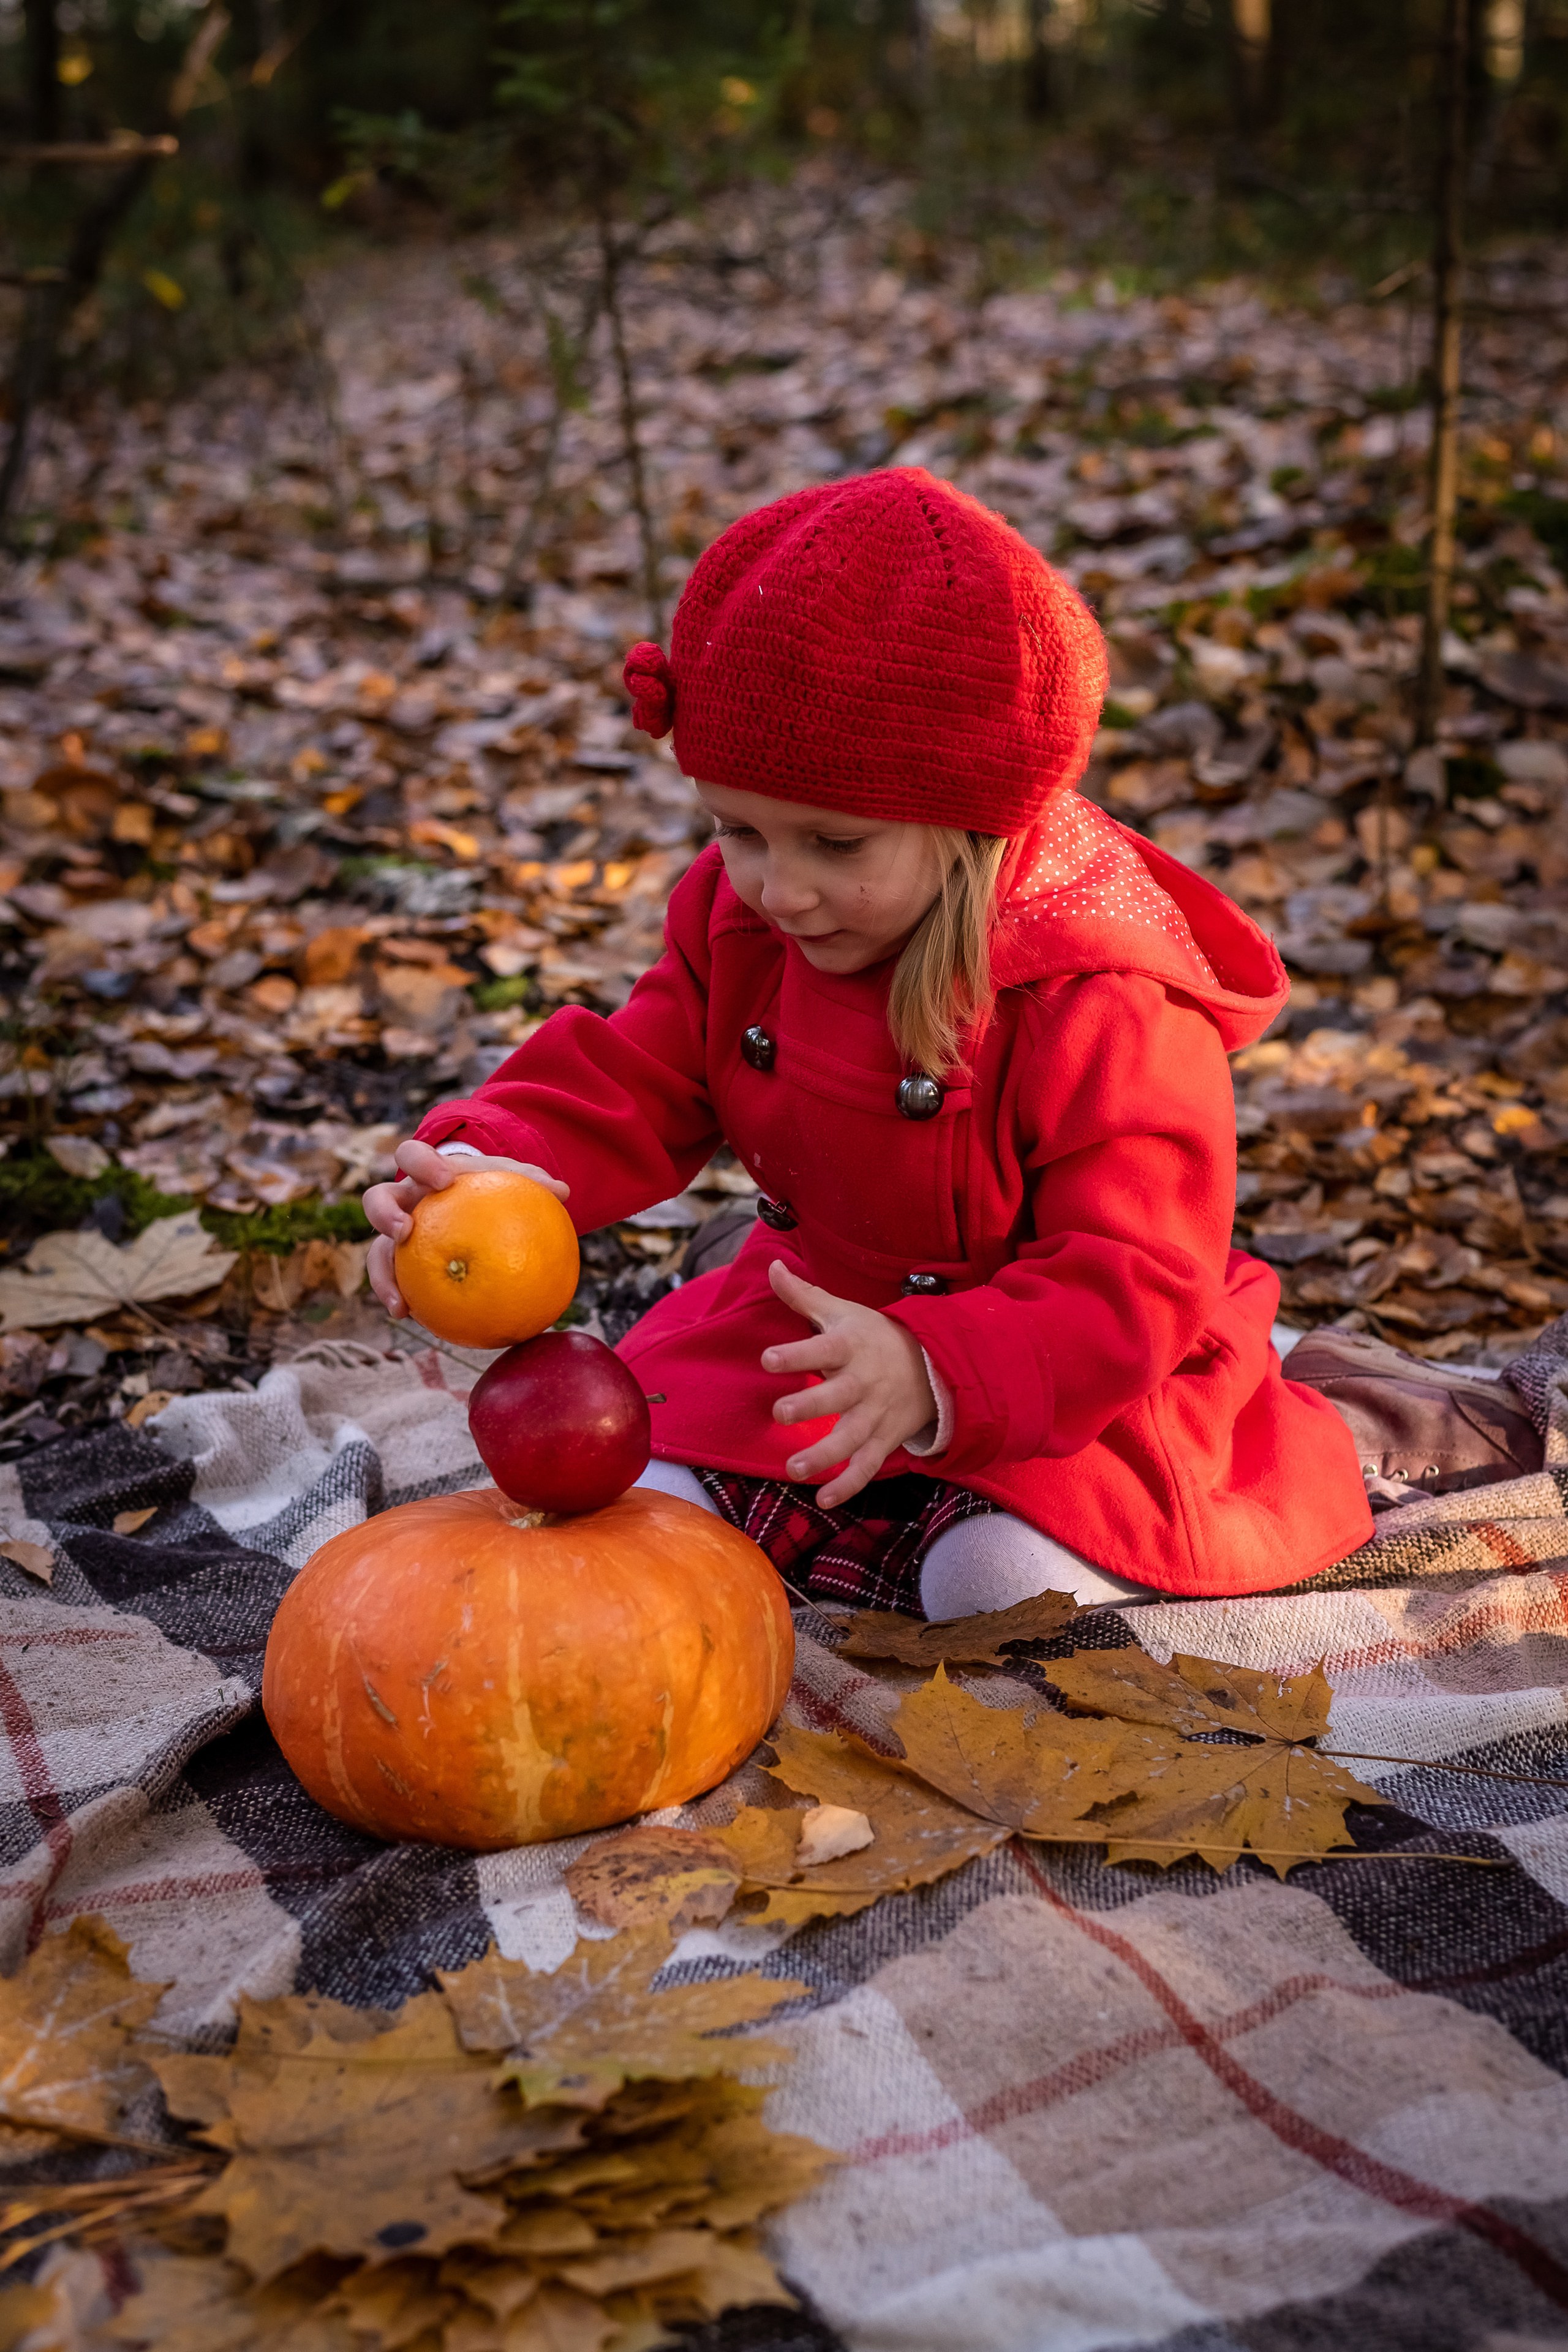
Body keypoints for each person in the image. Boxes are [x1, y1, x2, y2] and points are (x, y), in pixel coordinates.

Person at [363, 467, 1374, 1618]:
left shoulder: (1102, 999)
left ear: (973, 815)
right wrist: (490, 1164)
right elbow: (634, 1073)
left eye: (836, 843)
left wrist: (939, 1369)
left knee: (997, 1586)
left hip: (1055, 1368)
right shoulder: (738, 917)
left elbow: (1133, 1274)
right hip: (808, 1328)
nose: (778, 888)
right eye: (736, 827)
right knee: (637, 1514)